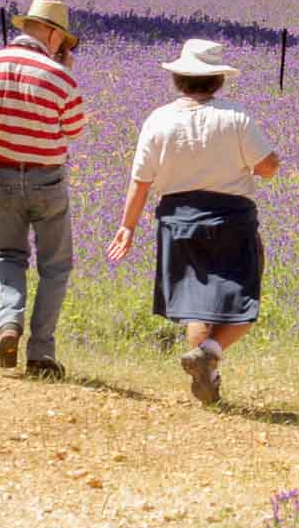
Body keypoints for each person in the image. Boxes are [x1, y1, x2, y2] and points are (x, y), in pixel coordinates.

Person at [107, 39, 279, 406]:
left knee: (196, 305)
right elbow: (268, 168)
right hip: (232, 221)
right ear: (218, 80)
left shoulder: (159, 119)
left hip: (178, 224)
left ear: (178, 80)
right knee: (244, 300)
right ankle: (210, 353)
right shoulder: (236, 117)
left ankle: (208, 372)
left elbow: (141, 181)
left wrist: (127, 227)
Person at [0, 0, 87, 379]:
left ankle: (9, 325)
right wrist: (65, 72)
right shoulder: (59, 75)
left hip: (1, 175)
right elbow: (74, 130)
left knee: (9, 255)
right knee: (55, 265)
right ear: (54, 35)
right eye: (64, 42)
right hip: (48, 178)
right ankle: (41, 352)